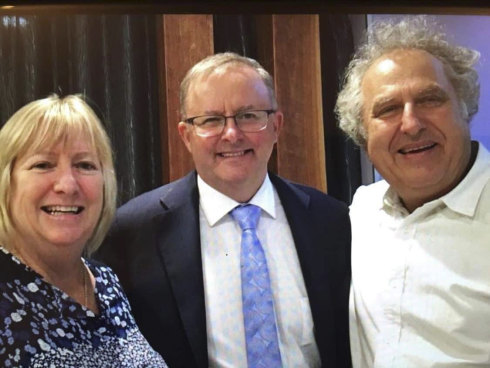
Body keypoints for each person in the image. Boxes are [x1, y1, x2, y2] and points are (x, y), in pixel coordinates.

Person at [96, 52, 352, 368]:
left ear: (276, 126)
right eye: (211, 120)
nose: (231, 134)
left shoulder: (333, 222)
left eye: (249, 115)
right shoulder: (133, 234)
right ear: (186, 135)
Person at [335, 16, 490, 367]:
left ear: (464, 108)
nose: (411, 123)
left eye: (430, 99)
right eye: (388, 109)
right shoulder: (362, 210)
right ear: (363, 135)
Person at [0, 95, 168, 367]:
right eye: (43, 165)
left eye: (84, 165)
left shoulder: (105, 282)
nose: (67, 184)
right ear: (7, 181)